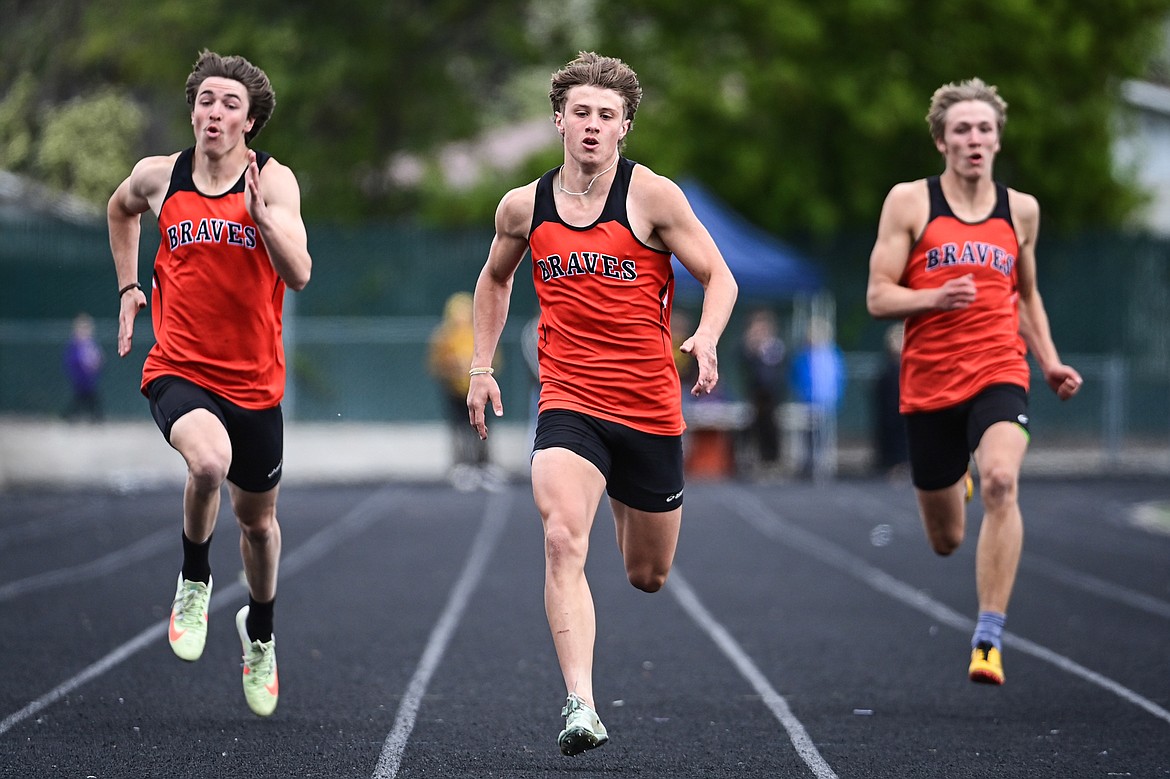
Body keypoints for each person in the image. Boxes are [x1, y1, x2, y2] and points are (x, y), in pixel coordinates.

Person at [466, 52, 737, 756]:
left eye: (606, 116)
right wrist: (480, 365)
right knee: (560, 537)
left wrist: (705, 338)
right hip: (569, 399)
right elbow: (494, 282)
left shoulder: (653, 198)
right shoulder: (523, 206)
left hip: (648, 406)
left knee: (647, 575)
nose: (592, 126)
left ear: (625, 128)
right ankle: (580, 701)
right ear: (559, 119)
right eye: (580, 112)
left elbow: (720, 276)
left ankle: (624, 490)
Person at [107, 49, 311, 717]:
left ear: (250, 121)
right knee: (208, 460)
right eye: (206, 100)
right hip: (180, 367)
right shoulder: (161, 176)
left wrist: (263, 223)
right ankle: (194, 579)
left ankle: (260, 631)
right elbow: (120, 208)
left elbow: (301, 272)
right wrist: (132, 285)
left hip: (255, 383)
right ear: (193, 108)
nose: (215, 112)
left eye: (230, 104)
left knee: (258, 523)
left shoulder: (275, 183)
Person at [866, 77, 1082, 686]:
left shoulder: (1022, 210)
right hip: (929, 382)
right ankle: (952, 480)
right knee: (945, 539)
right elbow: (878, 296)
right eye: (962, 129)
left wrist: (1050, 361)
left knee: (1002, 481)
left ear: (997, 139)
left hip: (999, 369)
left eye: (984, 128)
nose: (975, 139)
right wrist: (934, 296)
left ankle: (988, 636)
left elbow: (1028, 296)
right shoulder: (909, 203)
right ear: (941, 141)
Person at [427, 291, 500, 490]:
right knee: (459, 430)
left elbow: (495, 360)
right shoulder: (443, 336)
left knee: (484, 428)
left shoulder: (480, 334)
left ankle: (484, 466)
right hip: (454, 391)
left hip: (479, 392)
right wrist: (453, 368)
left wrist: (482, 374)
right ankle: (462, 466)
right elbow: (435, 365)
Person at [788, 314, 844, 480]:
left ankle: (823, 463)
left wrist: (835, 396)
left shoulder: (832, 354)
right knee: (807, 436)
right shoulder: (803, 355)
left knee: (825, 435)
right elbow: (797, 376)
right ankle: (808, 463)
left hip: (825, 401)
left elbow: (837, 378)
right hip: (808, 401)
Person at [739, 308, 786, 477]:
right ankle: (751, 461)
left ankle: (771, 460)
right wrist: (752, 346)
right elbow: (743, 364)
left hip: (772, 397)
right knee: (751, 428)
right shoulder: (749, 347)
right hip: (754, 396)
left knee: (771, 428)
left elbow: (777, 369)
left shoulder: (775, 346)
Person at [871, 322, 909, 478]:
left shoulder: (907, 366)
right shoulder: (888, 369)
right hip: (892, 411)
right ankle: (895, 464)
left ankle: (902, 464)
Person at [62, 312, 104, 421]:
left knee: (88, 399)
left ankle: (94, 417)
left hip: (90, 378)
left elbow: (97, 357)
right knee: (82, 399)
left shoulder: (91, 343)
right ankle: (70, 416)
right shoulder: (75, 344)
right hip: (80, 377)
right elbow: (73, 360)